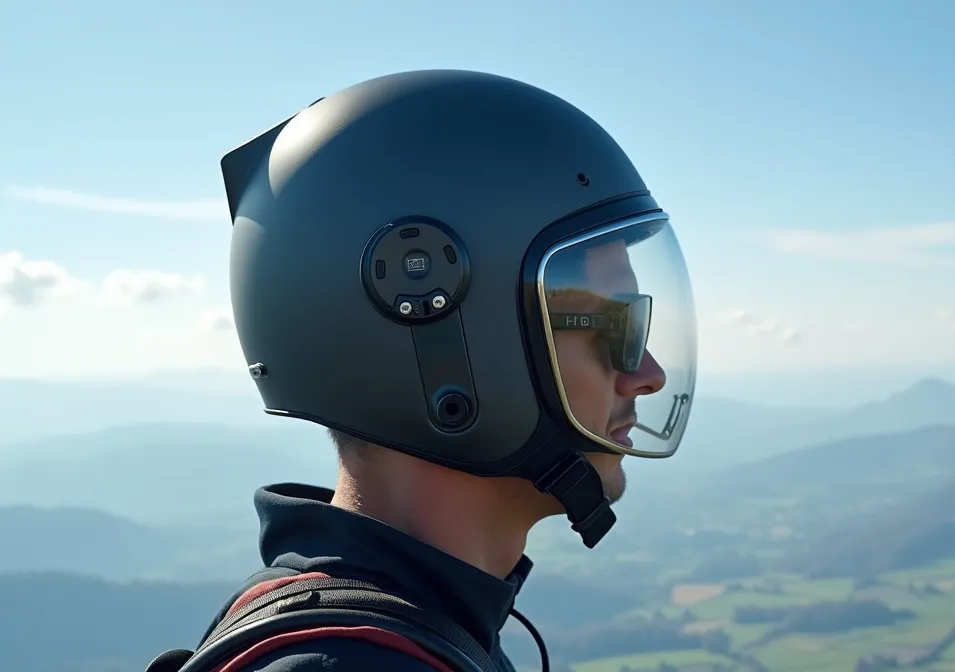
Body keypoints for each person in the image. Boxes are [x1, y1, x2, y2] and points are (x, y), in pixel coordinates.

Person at [148, 69, 698, 672]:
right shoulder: (358, 663)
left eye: (636, 323)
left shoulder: (395, 629)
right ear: (443, 339)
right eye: (605, 326)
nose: (648, 373)